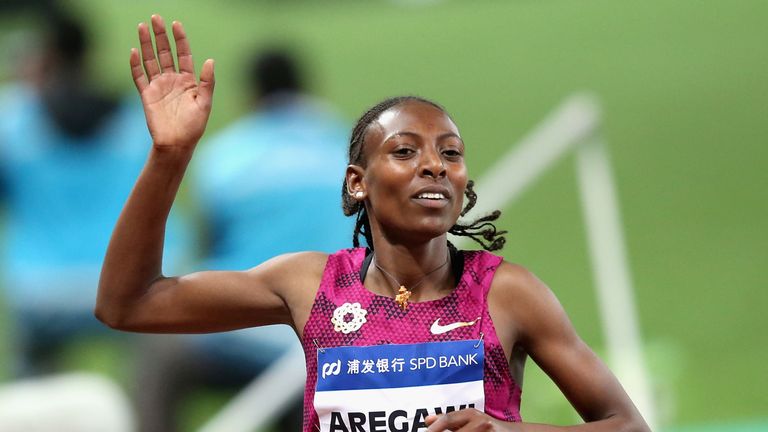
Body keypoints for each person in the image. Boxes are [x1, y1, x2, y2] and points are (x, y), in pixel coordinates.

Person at [96, 15, 651, 432]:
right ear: (357, 182)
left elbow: (627, 424)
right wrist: (169, 155)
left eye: (451, 153)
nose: (435, 165)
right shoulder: (310, 286)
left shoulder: (508, 294)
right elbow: (127, 304)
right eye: (405, 151)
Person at [135, 48, 351, 432]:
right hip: (333, 327)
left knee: (161, 353)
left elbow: (209, 245)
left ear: (252, 94)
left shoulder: (225, 155)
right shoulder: (347, 147)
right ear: (305, 88)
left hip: (243, 323)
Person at [0, 10, 189, 378]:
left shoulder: (14, 119)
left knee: (32, 382)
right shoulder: (141, 118)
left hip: (40, 290)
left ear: (46, 57)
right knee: (151, 376)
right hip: (134, 284)